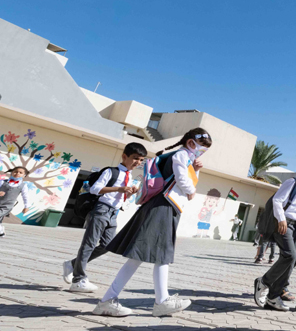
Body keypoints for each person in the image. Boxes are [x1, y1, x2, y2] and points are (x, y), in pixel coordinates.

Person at [92, 128, 212, 318]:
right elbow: (183, 180)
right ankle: (160, 302)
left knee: (141, 256)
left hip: (163, 206)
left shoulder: (185, 157)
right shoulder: (181, 155)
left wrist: (195, 171)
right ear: (191, 143)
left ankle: (111, 300)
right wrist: (191, 191)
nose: (202, 151)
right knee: (159, 254)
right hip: (164, 206)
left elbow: (187, 179)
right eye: (202, 147)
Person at [62, 143, 147, 292]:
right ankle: (78, 279)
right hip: (101, 209)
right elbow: (95, 189)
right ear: (124, 156)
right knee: (89, 244)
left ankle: (72, 264)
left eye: (141, 160)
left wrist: (129, 193)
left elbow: (119, 195)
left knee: (108, 245)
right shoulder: (111, 171)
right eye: (135, 158)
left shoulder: (129, 175)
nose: (138, 162)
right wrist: (119, 188)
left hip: (114, 212)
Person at [253, 155, 296, 311]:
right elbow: (277, 200)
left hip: (295, 226)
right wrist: (281, 219)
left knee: (295, 258)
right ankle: (264, 282)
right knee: (289, 255)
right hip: (284, 224)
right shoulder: (293, 182)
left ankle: (273, 296)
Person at [0, 167, 32, 237]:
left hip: (7, 205)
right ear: (11, 172)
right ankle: (1, 231)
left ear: (24, 175)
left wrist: (26, 206)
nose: (17, 173)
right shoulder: (2, 182)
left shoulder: (23, 186)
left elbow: (25, 196)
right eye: (15, 171)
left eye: (20, 173)